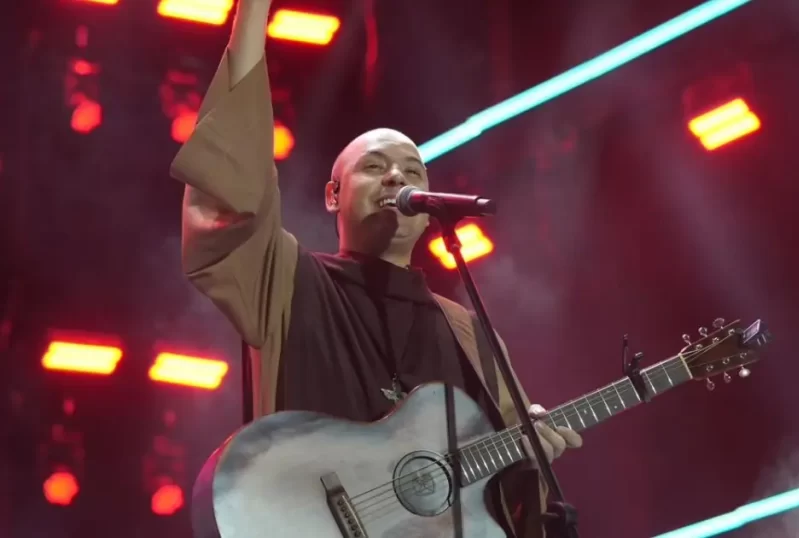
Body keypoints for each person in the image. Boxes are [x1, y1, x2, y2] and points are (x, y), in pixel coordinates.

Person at [168, 0, 581, 536]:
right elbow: (232, 195)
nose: (396, 177)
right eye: (374, 166)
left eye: (413, 170)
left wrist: (530, 456)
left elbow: (505, 509)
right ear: (332, 196)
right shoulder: (290, 281)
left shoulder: (471, 334)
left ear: (429, 211)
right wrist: (252, 14)